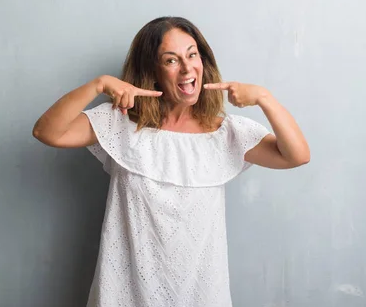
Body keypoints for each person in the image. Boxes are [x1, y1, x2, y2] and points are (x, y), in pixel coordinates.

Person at [32, 16, 310, 307]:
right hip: (124, 294)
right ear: (152, 70)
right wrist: (98, 85)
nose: (188, 67)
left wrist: (265, 98)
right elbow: (46, 132)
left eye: (192, 55)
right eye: (171, 60)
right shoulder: (121, 123)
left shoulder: (226, 133)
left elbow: (297, 155)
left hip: (201, 295)